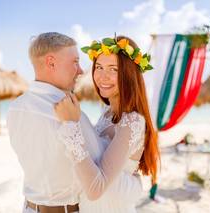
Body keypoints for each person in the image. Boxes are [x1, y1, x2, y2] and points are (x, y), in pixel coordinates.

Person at [55, 36, 160, 213]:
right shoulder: (107, 111)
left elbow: (96, 189)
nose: (103, 76)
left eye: (113, 69)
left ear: (129, 74)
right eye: (99, 67)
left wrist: (70, 124)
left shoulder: (132, 121)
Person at [7, 32, 98, 213]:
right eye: (75, 62)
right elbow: (96, 170)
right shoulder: (70, 113)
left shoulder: (14, 108)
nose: (80, 70)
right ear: (51, 62)